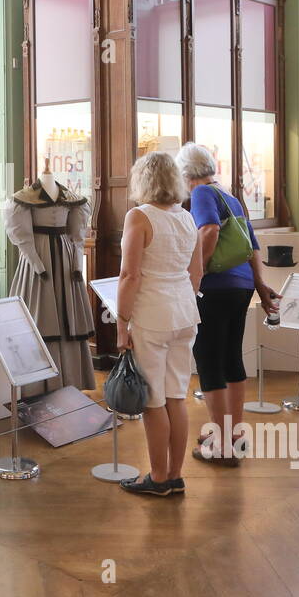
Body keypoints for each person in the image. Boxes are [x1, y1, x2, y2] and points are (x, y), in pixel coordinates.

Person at [179, 143, 279, 464]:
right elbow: (252, 245)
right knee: (232, 358)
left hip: (216, 287)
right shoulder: (230, 196)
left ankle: (220, 444)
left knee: (208, 361)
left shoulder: (201, 194)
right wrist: (261, 287)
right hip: (241, 286)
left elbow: (207, 230)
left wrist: (198, 273)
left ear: (185, 173)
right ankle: (234, 433)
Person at [115, 152, 202, 496]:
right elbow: (196, 273)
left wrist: (122, 324)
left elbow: (129, 275)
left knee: (153, 401)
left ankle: (159, 477)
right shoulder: (186, 218)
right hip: (185, 313)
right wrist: (183, 298)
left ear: (142, 180)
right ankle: (175, 474)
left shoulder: (139, 217)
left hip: (153, 316)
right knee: (175, 397)